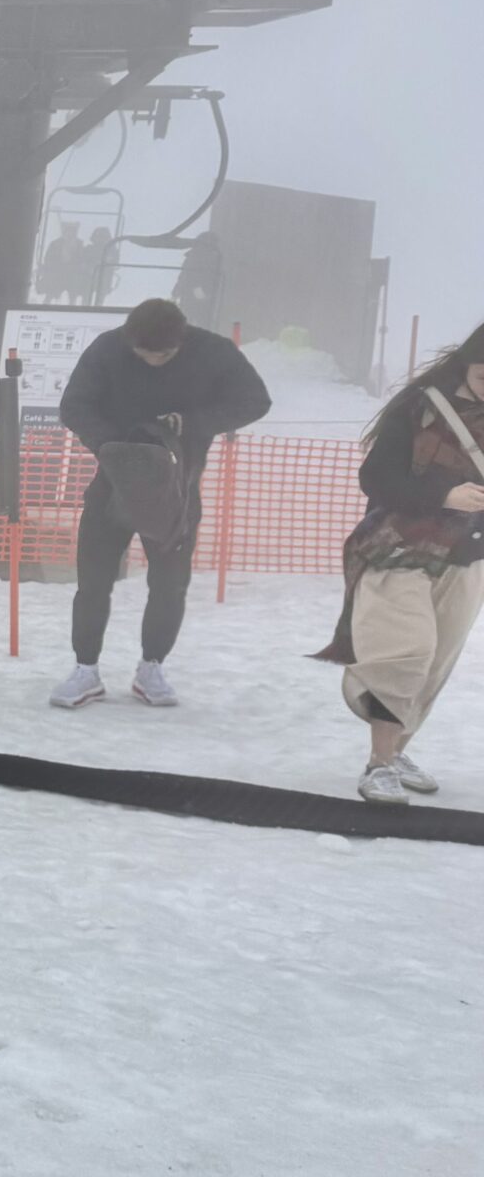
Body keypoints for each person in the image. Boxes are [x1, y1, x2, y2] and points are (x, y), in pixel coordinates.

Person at [50, 297, 269, 709]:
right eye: (143, 354)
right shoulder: (108, 349)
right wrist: (111, 445)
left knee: (169, 585)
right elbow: (74, 406)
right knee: (93, 583)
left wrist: (194, 423)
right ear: (129, 340)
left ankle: (151, 667)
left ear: (181, 340)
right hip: (112, 484)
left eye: (164, 355)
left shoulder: (213, 352)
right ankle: (85, 669)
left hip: (177, 490)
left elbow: (255, 400)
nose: (152, 361)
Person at [316, 323, 484, 802]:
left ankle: (395, 751)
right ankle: (379, 763)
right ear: (467, 365)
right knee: (407, 652)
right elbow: (376, 477)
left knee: (436, 663)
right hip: (399, 547)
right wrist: (444, 494)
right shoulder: (421, 407)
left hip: (470, 555)